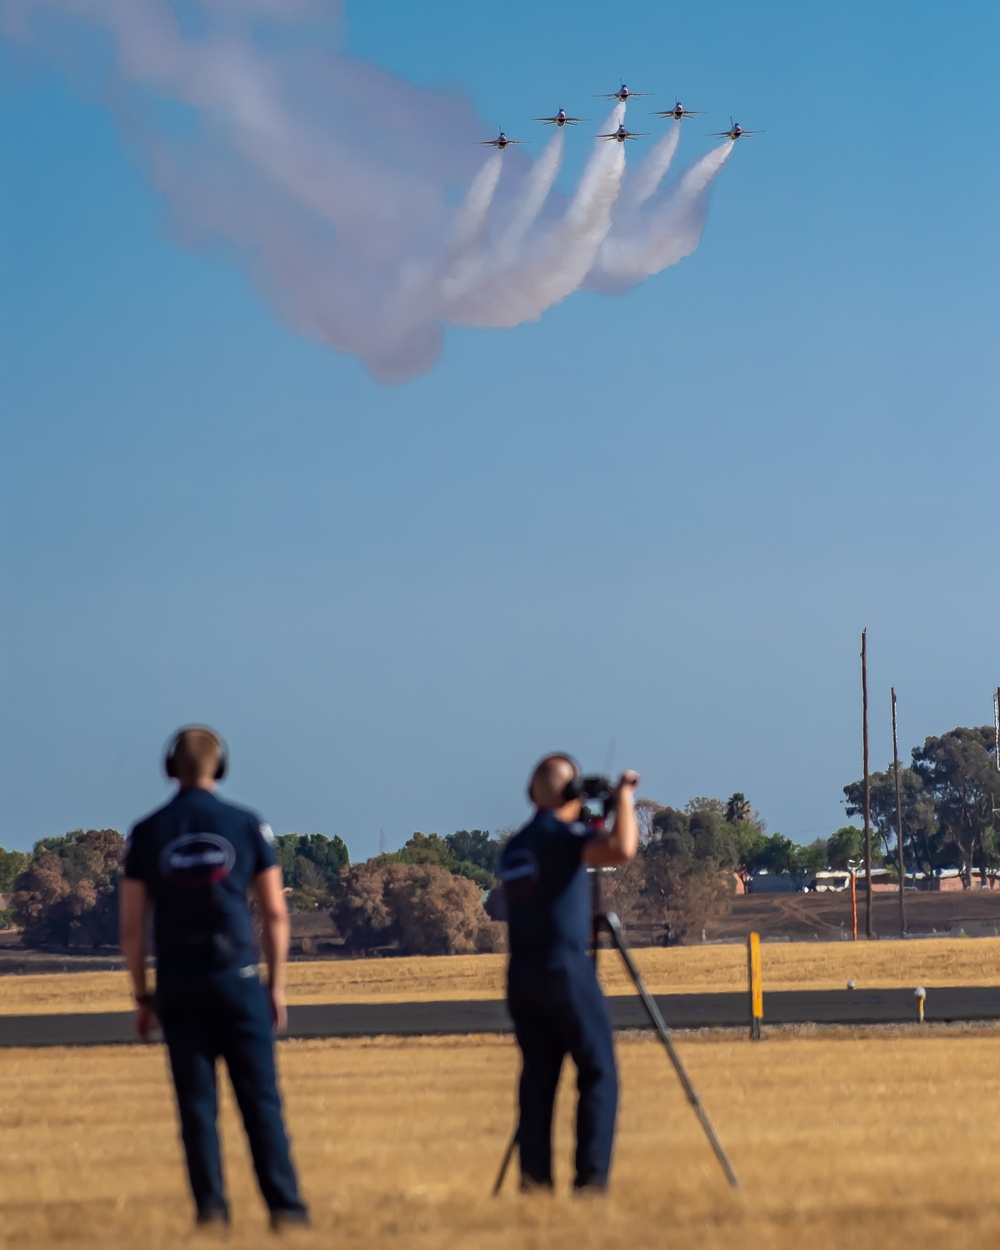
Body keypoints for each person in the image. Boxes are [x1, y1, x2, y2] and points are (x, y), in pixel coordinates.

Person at [119, 725, 309, 1231]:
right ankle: (286, 1212)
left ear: (168, 768)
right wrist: (276, 986)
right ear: (219, 768)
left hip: (179, 984)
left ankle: (212, 1214)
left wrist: (143, 995)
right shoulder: (247, 825)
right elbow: (274, 913)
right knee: (261, 1101)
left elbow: (132, 924)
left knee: (196, 1106)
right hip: (239, 978)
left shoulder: (147, 833)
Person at [499, 753, 639, 1193]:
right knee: (598, 1070)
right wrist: (625, 800)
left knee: (538, 1079)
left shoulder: (517, 846)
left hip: (521, 973)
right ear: (571, 793)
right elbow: (621, 849)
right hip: (564, 967)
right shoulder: (563, 839)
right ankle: (591, 1182)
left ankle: (534, 1182)